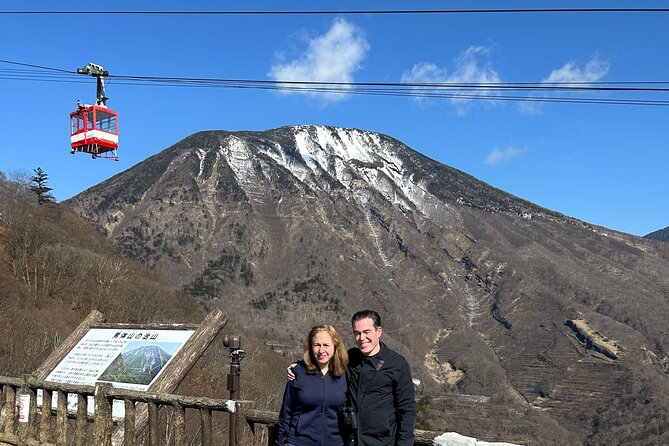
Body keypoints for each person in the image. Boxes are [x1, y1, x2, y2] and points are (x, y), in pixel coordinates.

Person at [288, 310, 416, 446]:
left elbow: (407, 409)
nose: (361, 338)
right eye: (357, 333)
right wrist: (299, 367)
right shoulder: (350, 358)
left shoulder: (397, 364)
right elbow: (323, 359)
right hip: (350, 440)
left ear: (378, 332)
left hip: (382, 442)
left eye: (366, 332)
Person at [278, 325, 349, 446]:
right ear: (310, 347)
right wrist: (280, 442)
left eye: (326, 345)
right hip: (299, 442)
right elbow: (286, 411)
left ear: (335, 346)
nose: (321, 350)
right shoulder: (298, 372)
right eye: (317, 345)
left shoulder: (345, 375)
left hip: (335, 442)